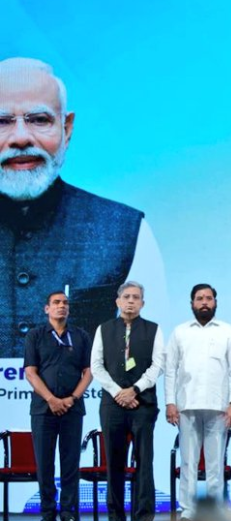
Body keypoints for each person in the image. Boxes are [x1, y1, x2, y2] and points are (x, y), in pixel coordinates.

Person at [0, 58, 152, 357]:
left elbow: (146, 358)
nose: (20, 138)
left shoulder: (127, 232)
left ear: (66, 128)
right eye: (1, 122)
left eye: (39, 120)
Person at [164, 284, 231, 521]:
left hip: (219, 407)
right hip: (186, 406)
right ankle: (188, 512)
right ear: (192, 304)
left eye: (209, 298)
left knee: (215, 464)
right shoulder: (180, 332)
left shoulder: (228, 331)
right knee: (188, 462)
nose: (205, 302)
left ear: (216, 303)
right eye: (200, 298)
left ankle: (214, 511)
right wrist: (170, 403)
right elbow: (170, 370)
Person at [89, 281, 165, 521]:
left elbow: (158, 365)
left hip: (143, 404)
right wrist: (118, 392)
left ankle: (143, 517)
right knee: (114, 461)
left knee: (144, 461)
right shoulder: (104, 329)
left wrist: (134, 390)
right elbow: (96, 366)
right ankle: (115, 517)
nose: (131, 301)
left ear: (143, 303)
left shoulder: (154, 329)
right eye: (126, 296)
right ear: (118, 301)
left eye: (136, 297)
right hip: (112, 405)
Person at [23, 291, 93, 521]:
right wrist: (51, 399)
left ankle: (68, 513)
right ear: (47, 309)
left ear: (69, 309)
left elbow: (88, 372)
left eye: (65, 303)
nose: (61, 306)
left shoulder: (81, 336)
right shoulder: (35, 335)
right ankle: (47, 513)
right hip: (43, 410)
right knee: (44, 464)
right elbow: (30, 372)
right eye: (56, 303)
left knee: (70, 462)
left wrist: (72, 398)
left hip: (73, 409)